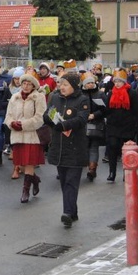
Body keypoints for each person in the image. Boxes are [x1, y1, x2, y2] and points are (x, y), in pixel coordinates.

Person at [42, 73, 89, 228]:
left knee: (71, 182)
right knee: (64, 181)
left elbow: (82, 119)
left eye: (66, 84)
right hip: (59, 146)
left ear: (74, 86)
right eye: (61, 84)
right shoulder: (55, 97)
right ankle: (73, 211)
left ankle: (67, 213)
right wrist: (51, 119)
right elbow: (48, 113)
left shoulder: (82, 99)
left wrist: (65, 125)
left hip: (75, 147)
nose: (62, 87)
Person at [5, 71, 46, 203]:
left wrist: (23, 124)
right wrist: (12, 123)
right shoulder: (14, 97)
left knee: (29, 163)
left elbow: (40, 118)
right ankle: (35, 179)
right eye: (24, 83)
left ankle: (25, 190)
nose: (26, 86)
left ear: (34, 86)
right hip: (17, 135)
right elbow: (8, 115)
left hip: (32, 136)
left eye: (29, 84)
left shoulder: (38, 98)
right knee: (20, 164)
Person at [103, 69, 138, 182]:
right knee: (112, 148)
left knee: (126, 151)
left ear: (124, 82)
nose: (117, 84)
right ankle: (112, 172)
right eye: (115, 82)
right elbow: (108, 110)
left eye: (119, 81)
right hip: (113, 126)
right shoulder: (111, 93)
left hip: (128, 126)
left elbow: (137, 111)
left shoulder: (132, 93)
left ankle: (127, 172)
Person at [80, 73, 107, 181]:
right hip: (83, 124)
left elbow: (105, 109)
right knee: (85, 146)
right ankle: (88, 165)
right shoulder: (80, 95)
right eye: (88, 83)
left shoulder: (100, 94)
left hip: (96, 124)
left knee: (94, 147)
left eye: (92, 82)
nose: (91, 85)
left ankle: (92, 169)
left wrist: (95, 115)